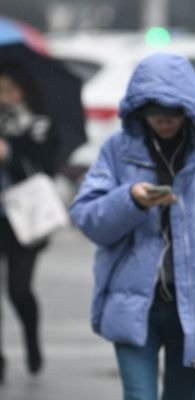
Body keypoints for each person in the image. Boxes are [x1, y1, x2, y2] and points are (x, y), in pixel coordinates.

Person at [69, 53, 195, 400]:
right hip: (132, 301)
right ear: (139, 108)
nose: (164, 120)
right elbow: (86, 216)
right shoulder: (117, 149)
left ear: (189, 108)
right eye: (155, 110)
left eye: (173, 110)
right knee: (138, 395)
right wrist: (131, 200)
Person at [0, 62, 59, 382]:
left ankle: (32, 343)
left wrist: (10, 151)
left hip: (25, 219)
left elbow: (46, 168)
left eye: (10, 89)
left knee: (18, 290)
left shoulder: (39, 125)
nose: (5, 97)